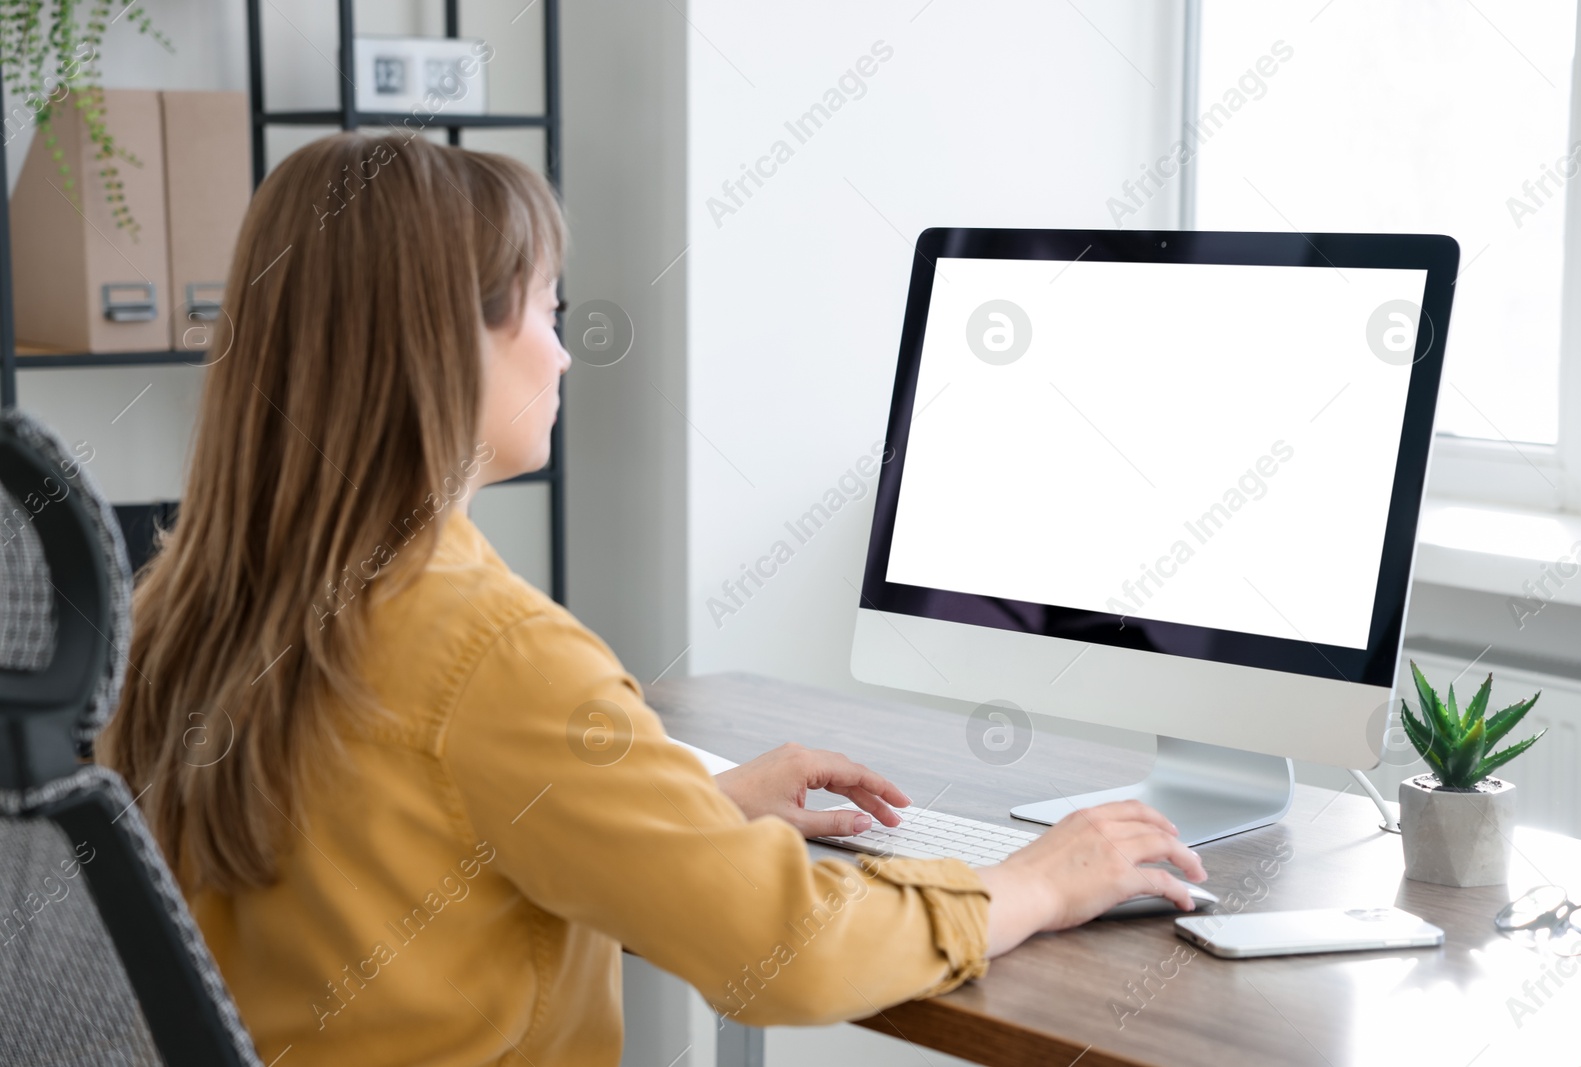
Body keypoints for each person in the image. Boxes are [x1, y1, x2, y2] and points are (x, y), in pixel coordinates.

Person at [98, 132, 1206, 1067]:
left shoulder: (179, 606)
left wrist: (685, 809)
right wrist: (1031, 884)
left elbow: (390, 836)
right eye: (543, 308)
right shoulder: (494, 653)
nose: (566, 351)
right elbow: (786, 949)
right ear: (443, 343)